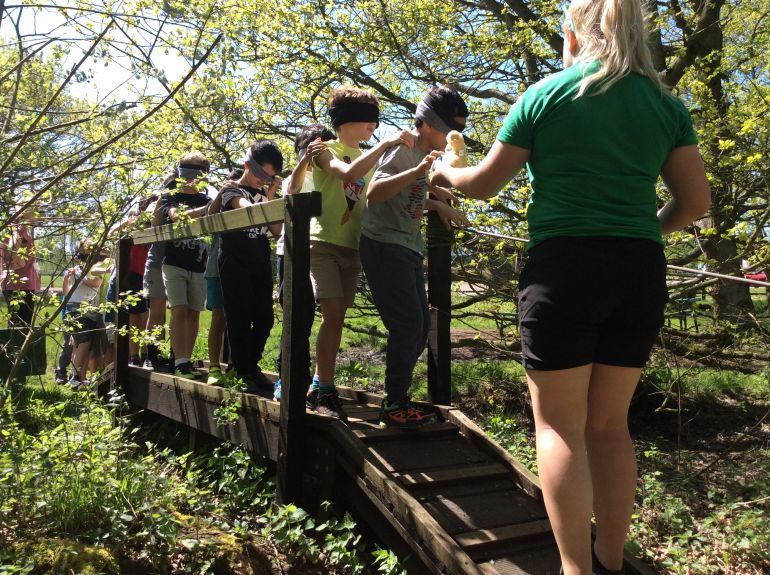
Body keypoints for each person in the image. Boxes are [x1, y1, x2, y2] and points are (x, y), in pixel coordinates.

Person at [431, 1, 711, 573]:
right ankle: (609, 559)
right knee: (611, 425)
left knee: (559, 425)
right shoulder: (665, 103)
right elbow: (696, 203)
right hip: (639, 269)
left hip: (563, 267)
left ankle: (574, 569)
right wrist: (635, 231)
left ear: (572, 33)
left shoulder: (545, 95)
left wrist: (443, 171)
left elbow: (483, 184)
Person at [360, 86, 470, 429]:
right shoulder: (404, 152)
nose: (457, 136)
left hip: (407, 246)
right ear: (428, 123)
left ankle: (399, 398)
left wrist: (437, 202)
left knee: (421, 326)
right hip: (382, 244)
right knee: (408, 325)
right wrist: (419, 172)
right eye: (452, 128)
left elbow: (412, 197)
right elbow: (375, 193)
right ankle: (393, 402)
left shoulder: (428, 158)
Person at [308, 85, 414, 420]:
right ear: (347, 121)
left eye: (375, 120)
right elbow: (347, 173)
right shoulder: (322, 150)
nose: (374, 125)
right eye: (368, 119)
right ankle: (324, 387)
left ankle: (318, 381)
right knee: (333, 315)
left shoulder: (373, 157)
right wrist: (385, 146)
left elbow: (388, 193)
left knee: (337, 318)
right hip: (322, 244)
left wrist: (438, 201)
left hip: (354, 247)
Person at [273, 123, 335, 401]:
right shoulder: (295, 176)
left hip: (322, 250)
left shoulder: (331, 177)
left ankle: (316, 380)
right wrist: (306, 159)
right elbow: (294, 189)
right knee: (297, 318)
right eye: (309, 147)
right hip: (292, 251)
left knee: (326, 316)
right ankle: (285, 379)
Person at [218, 141, 283, 392]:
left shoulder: (264, 194)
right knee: (239, 319)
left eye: (269, 177)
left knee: (265, 319)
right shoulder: (231, 191)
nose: (263, 180)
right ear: (247, 166)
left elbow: (277, 230)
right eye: (260, 174)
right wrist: (266, 200)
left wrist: (270, 196)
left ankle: (247, 365)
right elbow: (247, 210)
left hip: (259, 261)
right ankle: (243, 371)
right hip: (235, 262)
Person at [158, 153, 212, 379]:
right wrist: (206, 210)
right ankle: (179, 361)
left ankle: (186, 361)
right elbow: (175, 216)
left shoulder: (207, 199)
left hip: (199, 265)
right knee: (179, 310)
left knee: (194, 313)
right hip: (174, 263)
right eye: (190, 173)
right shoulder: (170, 197)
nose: (194, 179)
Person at [204, 168, 242, 386]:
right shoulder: (221, 204)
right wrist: (222, 191)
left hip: (241, 268)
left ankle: (236, 365)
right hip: (216, 269)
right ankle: (214, 367)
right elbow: (210, 215)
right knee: (218, 318)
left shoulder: (247, 201)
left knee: (238, 319)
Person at [143, 172, 176, 371]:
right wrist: (163, 196)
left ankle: (175, 354)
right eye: (170, 184)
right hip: (157, 262)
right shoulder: (159, 202)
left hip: (179, 263)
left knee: (177, 313)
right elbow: (152, 224)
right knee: (156, 313)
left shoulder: (186, 201)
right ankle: (150, 356)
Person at [0, 200, 41, 329]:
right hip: (20, 285)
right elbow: (17, 260)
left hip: (17, 283)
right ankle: (16, 349)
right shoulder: (17, 230)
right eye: (36, 210)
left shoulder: (15, 229)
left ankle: (15, 349)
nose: (39, 214)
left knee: (18, 324)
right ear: (26, 212)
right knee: (21, 326)